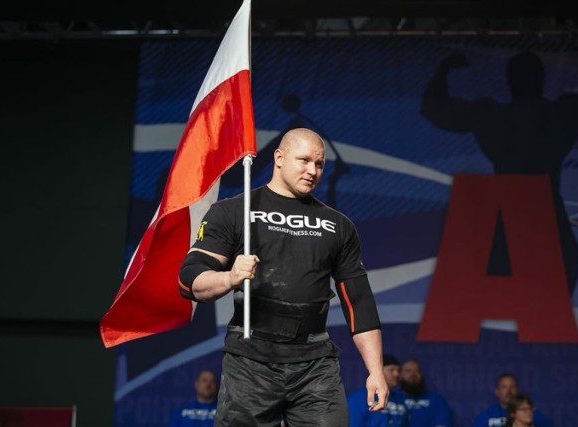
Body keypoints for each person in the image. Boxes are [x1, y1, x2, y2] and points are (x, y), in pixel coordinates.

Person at [178, 127, 388, 426]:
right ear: (278, 157)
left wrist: (376, 370)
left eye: (319, 164)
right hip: (251, 360)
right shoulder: (234, 211)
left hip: (315, 363)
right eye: (303, 160)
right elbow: (189, 280)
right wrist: (230, 278)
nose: (312, 170)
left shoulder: (338, 225)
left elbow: (360, 302)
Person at [421, 47, 578, 295]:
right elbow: (435, 110)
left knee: (549, 292)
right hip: (525, 217)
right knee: (513, 294)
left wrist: (445, 69)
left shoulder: (513, 115)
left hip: (538, 216)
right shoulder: (545, 113)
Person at [347, 354, 408, 426]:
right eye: (391, 370)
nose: (396, 374)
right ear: (379, 372)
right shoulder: (358, 398)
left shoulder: (400, 398)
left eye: (398, 370)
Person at [472, 373, 552, 427]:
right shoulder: (484, 417)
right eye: (504, 387)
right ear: (497, 392)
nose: (509, 391)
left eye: (512, 387)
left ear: (518, 390)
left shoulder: (533, 415)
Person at [396, 359, 452, 427]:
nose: (413, 374)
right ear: (400, 375)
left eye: (417, 371)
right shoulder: (393, 398)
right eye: (408, 371)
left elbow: (442, 423)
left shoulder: (435, 399)